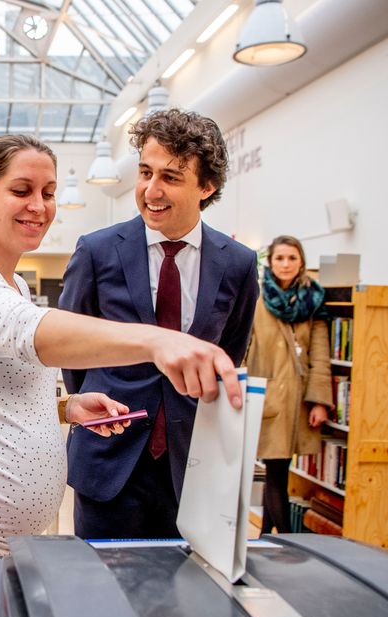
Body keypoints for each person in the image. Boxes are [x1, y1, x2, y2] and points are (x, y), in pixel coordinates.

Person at [0, 134, 244, 617]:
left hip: (1, 542)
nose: (39, 206)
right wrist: (158, 341)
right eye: (21, 190)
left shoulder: (15, 283)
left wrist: (67, 408)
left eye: (48, 193)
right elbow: (32, 335)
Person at [60, 108, 260, 540]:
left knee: (185, 596)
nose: (151, 190)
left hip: (193, 464)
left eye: (171, 177)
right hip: (108, 457)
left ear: (206, 186)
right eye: (145, 172)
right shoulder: (96, 252)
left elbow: (229, 354)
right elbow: (70, 351)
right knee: (101, 590)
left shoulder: (239, 264)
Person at [245, 235, 332, 535]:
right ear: (270, 262)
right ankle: (285, 538)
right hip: (264, 394)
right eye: (279, 258)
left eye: (291, 258)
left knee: (277, 469)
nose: (285, 264)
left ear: (301, 262)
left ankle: (268, 534)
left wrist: (320, 400)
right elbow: (244, 345)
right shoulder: (255, 297)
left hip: (297, 398)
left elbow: (320, 355)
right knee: (276, 470)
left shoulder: (313, 300)